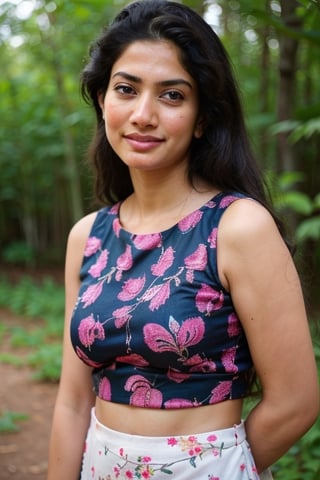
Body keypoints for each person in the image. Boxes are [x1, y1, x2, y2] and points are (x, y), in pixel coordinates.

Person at [47, 1, 319, 479]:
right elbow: (72, 402)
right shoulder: (87, 236)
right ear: (103, 100)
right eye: (126, 89)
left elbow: (296, 403)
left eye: (172, 95)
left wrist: (209, 466)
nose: (143, 114)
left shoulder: (237, 226)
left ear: (201, 118)